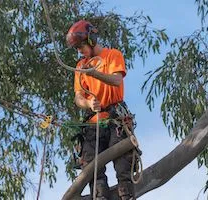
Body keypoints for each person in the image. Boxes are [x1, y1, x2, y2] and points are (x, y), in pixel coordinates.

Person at [67, 20, 136, 200]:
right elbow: (78, 97)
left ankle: (126, 195)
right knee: (92, 170)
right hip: (93, 122)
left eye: (80, 46)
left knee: (122, 164)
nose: (79, 51)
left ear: (91, 40)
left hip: (115, 119)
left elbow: (116, 80)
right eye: (76, 48)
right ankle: (100, 197)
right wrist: (89, 104)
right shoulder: (80, 67)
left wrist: (95, 73)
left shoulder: (112, 55)